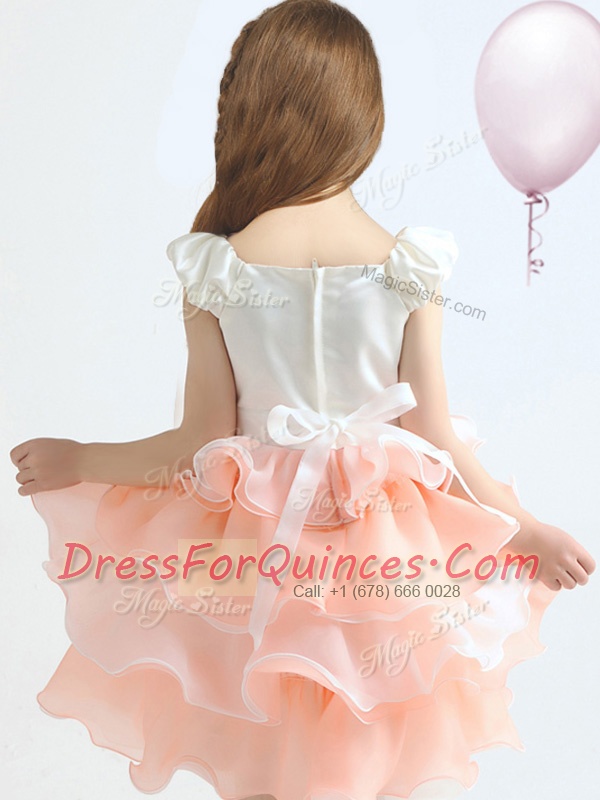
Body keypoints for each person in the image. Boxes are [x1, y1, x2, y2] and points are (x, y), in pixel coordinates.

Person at [9, 2, 596, 799]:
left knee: (260, 732)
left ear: (248, 109)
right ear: (361, 116)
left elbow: (194, 446)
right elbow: (436, 442)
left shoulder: (216, 267)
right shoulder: (411, 265)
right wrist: (524, 529)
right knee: (361, 733)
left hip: (253, 553)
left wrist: (81, 459)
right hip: (386, 553)